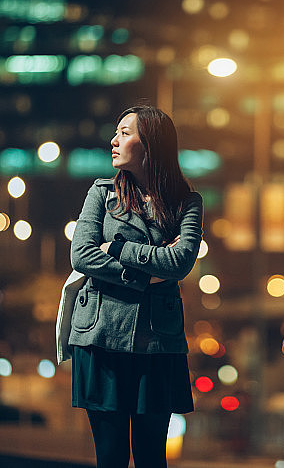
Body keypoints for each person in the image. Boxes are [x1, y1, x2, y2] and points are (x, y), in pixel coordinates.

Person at [68, 104, 203, 468]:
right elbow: (81, 256)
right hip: (101, 336)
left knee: (150, 457)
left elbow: (180, 262)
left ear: (150, 145)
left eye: (125, 133)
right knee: (109, 457)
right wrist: (145, 273)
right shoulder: (101, 194)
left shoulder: (186, 203)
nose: (114, 141)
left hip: (157, 342)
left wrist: (116, 248)